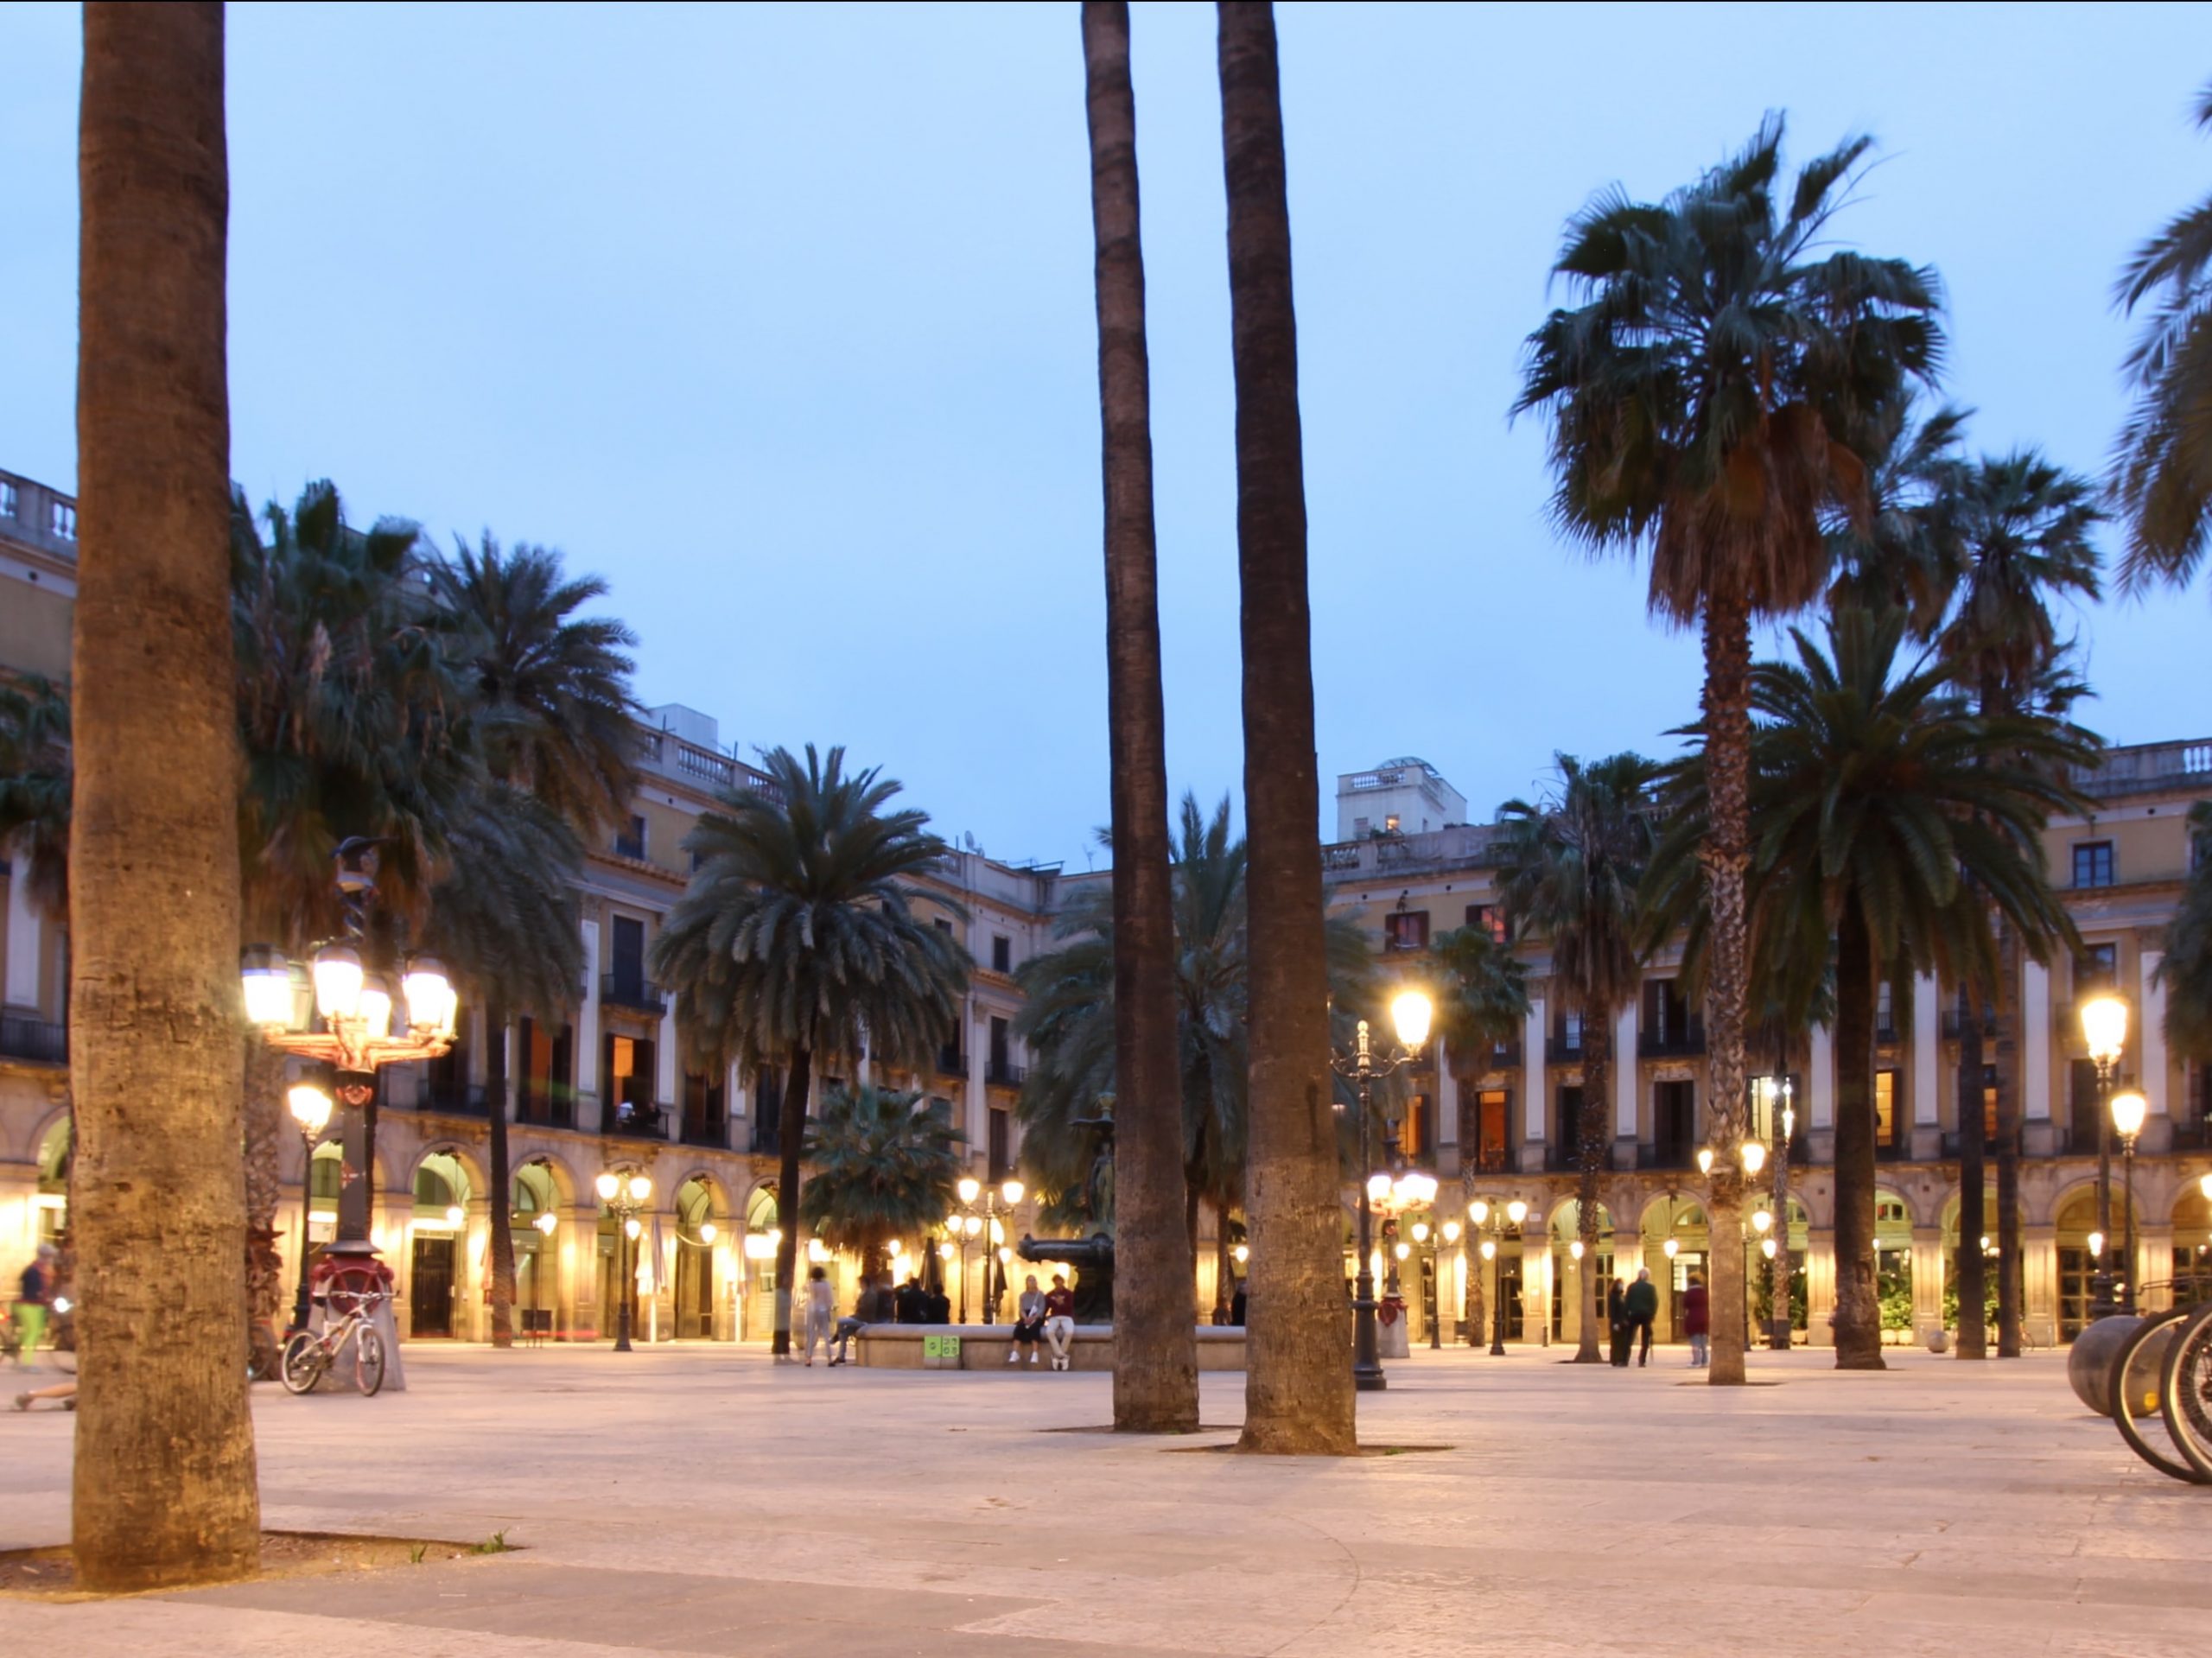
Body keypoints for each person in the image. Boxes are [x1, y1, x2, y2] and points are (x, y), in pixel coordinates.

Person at [12, 1243, 56, 1369]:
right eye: (49, 1257)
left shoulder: (39, 1270)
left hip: (35, 1306)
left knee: (31, 1332)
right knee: (33, 1333)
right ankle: (27, 1363)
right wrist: (44, 1297)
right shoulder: (33, 1271)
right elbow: (33, 1291)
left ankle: (16, 1352)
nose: (51, 1260)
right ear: (44, 1256)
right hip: (30, 1306)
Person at [1624, 1267, 1659, 1367]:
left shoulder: (1632, 1287)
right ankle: (1642, 1360)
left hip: (1634, 1314)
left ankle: (1625, 1359)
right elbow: (1654, 1302)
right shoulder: (1651, 1287)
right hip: (1646, 1315)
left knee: (1629, 1338)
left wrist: (1626, 1314)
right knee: (1645, 1339)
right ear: (1647, 1276)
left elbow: (1627, 1301)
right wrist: (1653, 1314)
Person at [802, 1265, 836, 1366]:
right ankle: (829, 1358)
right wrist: (829, 1308)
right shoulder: (826, 1284)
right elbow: (829, 1299)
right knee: (826, 1334)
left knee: (811, 1334)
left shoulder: (810, 1285)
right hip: (823, 1309)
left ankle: (808, 1358)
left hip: (812, 1309)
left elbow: (805, 1293)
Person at [1041, 1273, 1077, 1370]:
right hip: (1055, 1317)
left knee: (1069, 1332)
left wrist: (1062, 1303)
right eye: (1056, 1282)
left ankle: (1057, 1357)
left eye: (1060, 1281)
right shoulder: (1050, 1295)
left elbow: (1070, 1307)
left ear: (1063, 1282)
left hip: (1067, 1316)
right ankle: (1062, 1356)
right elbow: (1046, 1307)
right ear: (1054, 1283)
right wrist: (1042, 1318)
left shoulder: (1069, 1293)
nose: (1058, 1284)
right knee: (1049, 1331)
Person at [1008, 1274, 1046, 1365]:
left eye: (1034, 1280)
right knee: (1019, 1328)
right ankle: (1014, 1352)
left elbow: (1042, 1309)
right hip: (1026, 1315)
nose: (1032, 1282)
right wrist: (1025, 1318)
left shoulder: (1040, 1294)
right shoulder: (1023, 1295)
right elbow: (1021, 1309)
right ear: (1026, 1283)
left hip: (1037, 1316)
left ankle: (1035, 1353)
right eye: (1030, 1280)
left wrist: (1033, 1318)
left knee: (1034, 1328)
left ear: (1036, 1283)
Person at [1683, 1273, 1710, 1368]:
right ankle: (1705, 1361)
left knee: (1695, 1342)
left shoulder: (1689, 1293)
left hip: (1693, 1318)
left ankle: (1696, 1361)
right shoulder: (1704, 1293)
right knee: (1703, 1342)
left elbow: (1685, 1304)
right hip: (1704, 1318)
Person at [1607, 1278, 1630, 1368]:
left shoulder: (1623, 1297)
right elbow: (1613, 1311)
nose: (1622, 1286)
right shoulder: (1613, 1296)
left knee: (1622, 1342)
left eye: (1622, 1284)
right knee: (1616, 1342)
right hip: (1616, 1322)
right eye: (1620, 1284)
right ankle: (1615, 1359)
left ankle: (1621, 1358)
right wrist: (1615, 1323)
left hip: (1623, 1322)